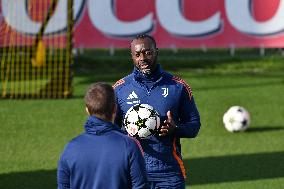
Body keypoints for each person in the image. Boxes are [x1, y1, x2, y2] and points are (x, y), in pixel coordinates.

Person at [113, 34, 201, 189]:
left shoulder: (178, 87)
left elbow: (194, 126)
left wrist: (176, 129)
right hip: (133, 173)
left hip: (168, 173)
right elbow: (110, 132)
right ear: (132, 56)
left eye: (148, 53)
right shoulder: (120, 89)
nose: (143, 58)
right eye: (137, 54)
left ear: (156, 52)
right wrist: (126, 134)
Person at [57, 82, 149, 189]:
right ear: (115, 108)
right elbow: (141, 186)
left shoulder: (70, 148)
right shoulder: (129, 146)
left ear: (87, 110)